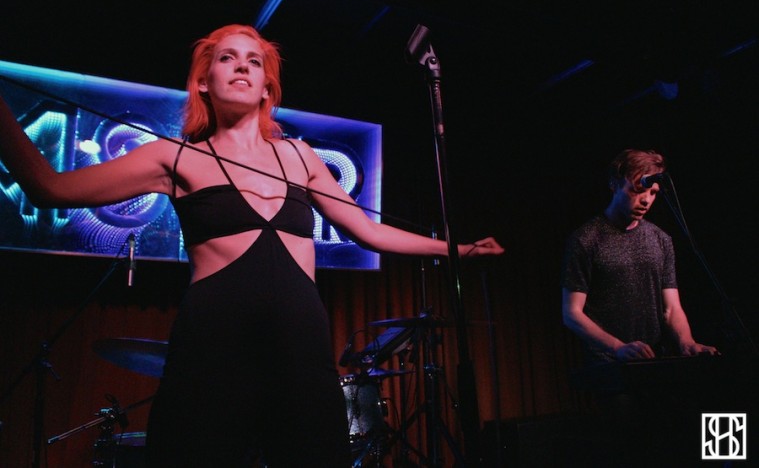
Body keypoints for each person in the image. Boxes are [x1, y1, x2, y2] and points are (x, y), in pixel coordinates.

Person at [0, 24, 504, 467]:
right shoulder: (172, 157)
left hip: (301, 348)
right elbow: (50, 188)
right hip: (213, 348)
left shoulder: (300, 156)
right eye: (227, 58)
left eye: (254, 61)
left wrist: (456, 250)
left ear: (267, 88)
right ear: (204, 81)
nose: (242, 66)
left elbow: (369, 232)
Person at [560, 148, 718, 466]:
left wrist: (687, 342)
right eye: (638, 188)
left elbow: (672, 308)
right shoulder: (586, 240)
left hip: (654, 364)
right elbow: (572, 313)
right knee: (638, 447)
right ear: (614, 183)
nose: (646, 199)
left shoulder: (661, 240)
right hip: (612, 369)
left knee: (704, 428)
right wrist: (618, 347)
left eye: (653, 192)